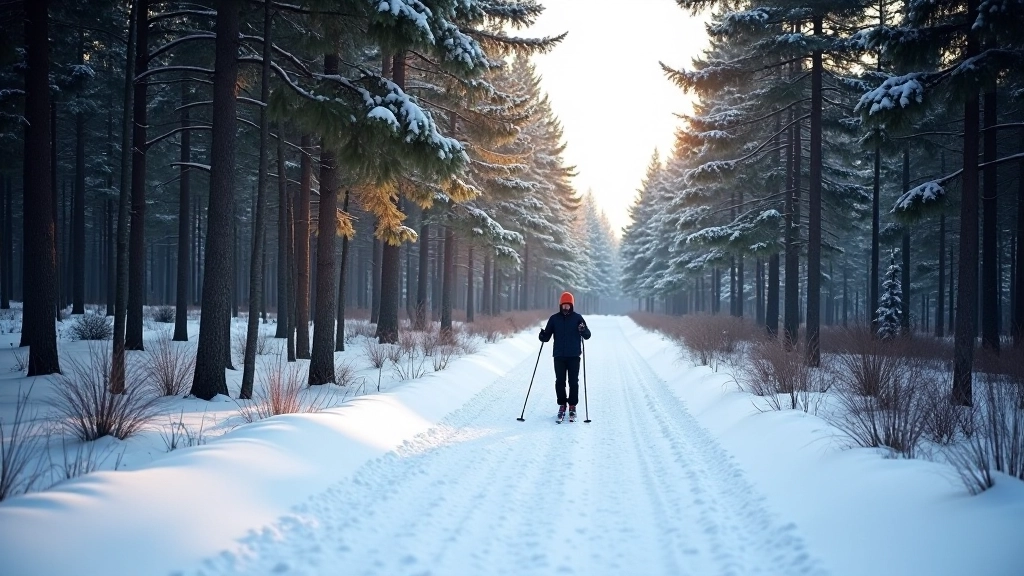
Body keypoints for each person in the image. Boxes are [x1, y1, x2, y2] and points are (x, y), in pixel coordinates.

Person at [538, 291, 592, 421]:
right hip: (559, 356)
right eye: (564, 305)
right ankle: (562, 405)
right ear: (560, 305)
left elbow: (588, 335)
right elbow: (547, 337)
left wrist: (583, 330)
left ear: (572, 305)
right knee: (560, 381)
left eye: (568, 305)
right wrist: (542, 336)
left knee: (573, 382)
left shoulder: (577, 318)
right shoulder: (554, 319)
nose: (566, 308)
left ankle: (572, 406)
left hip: (574, 355)